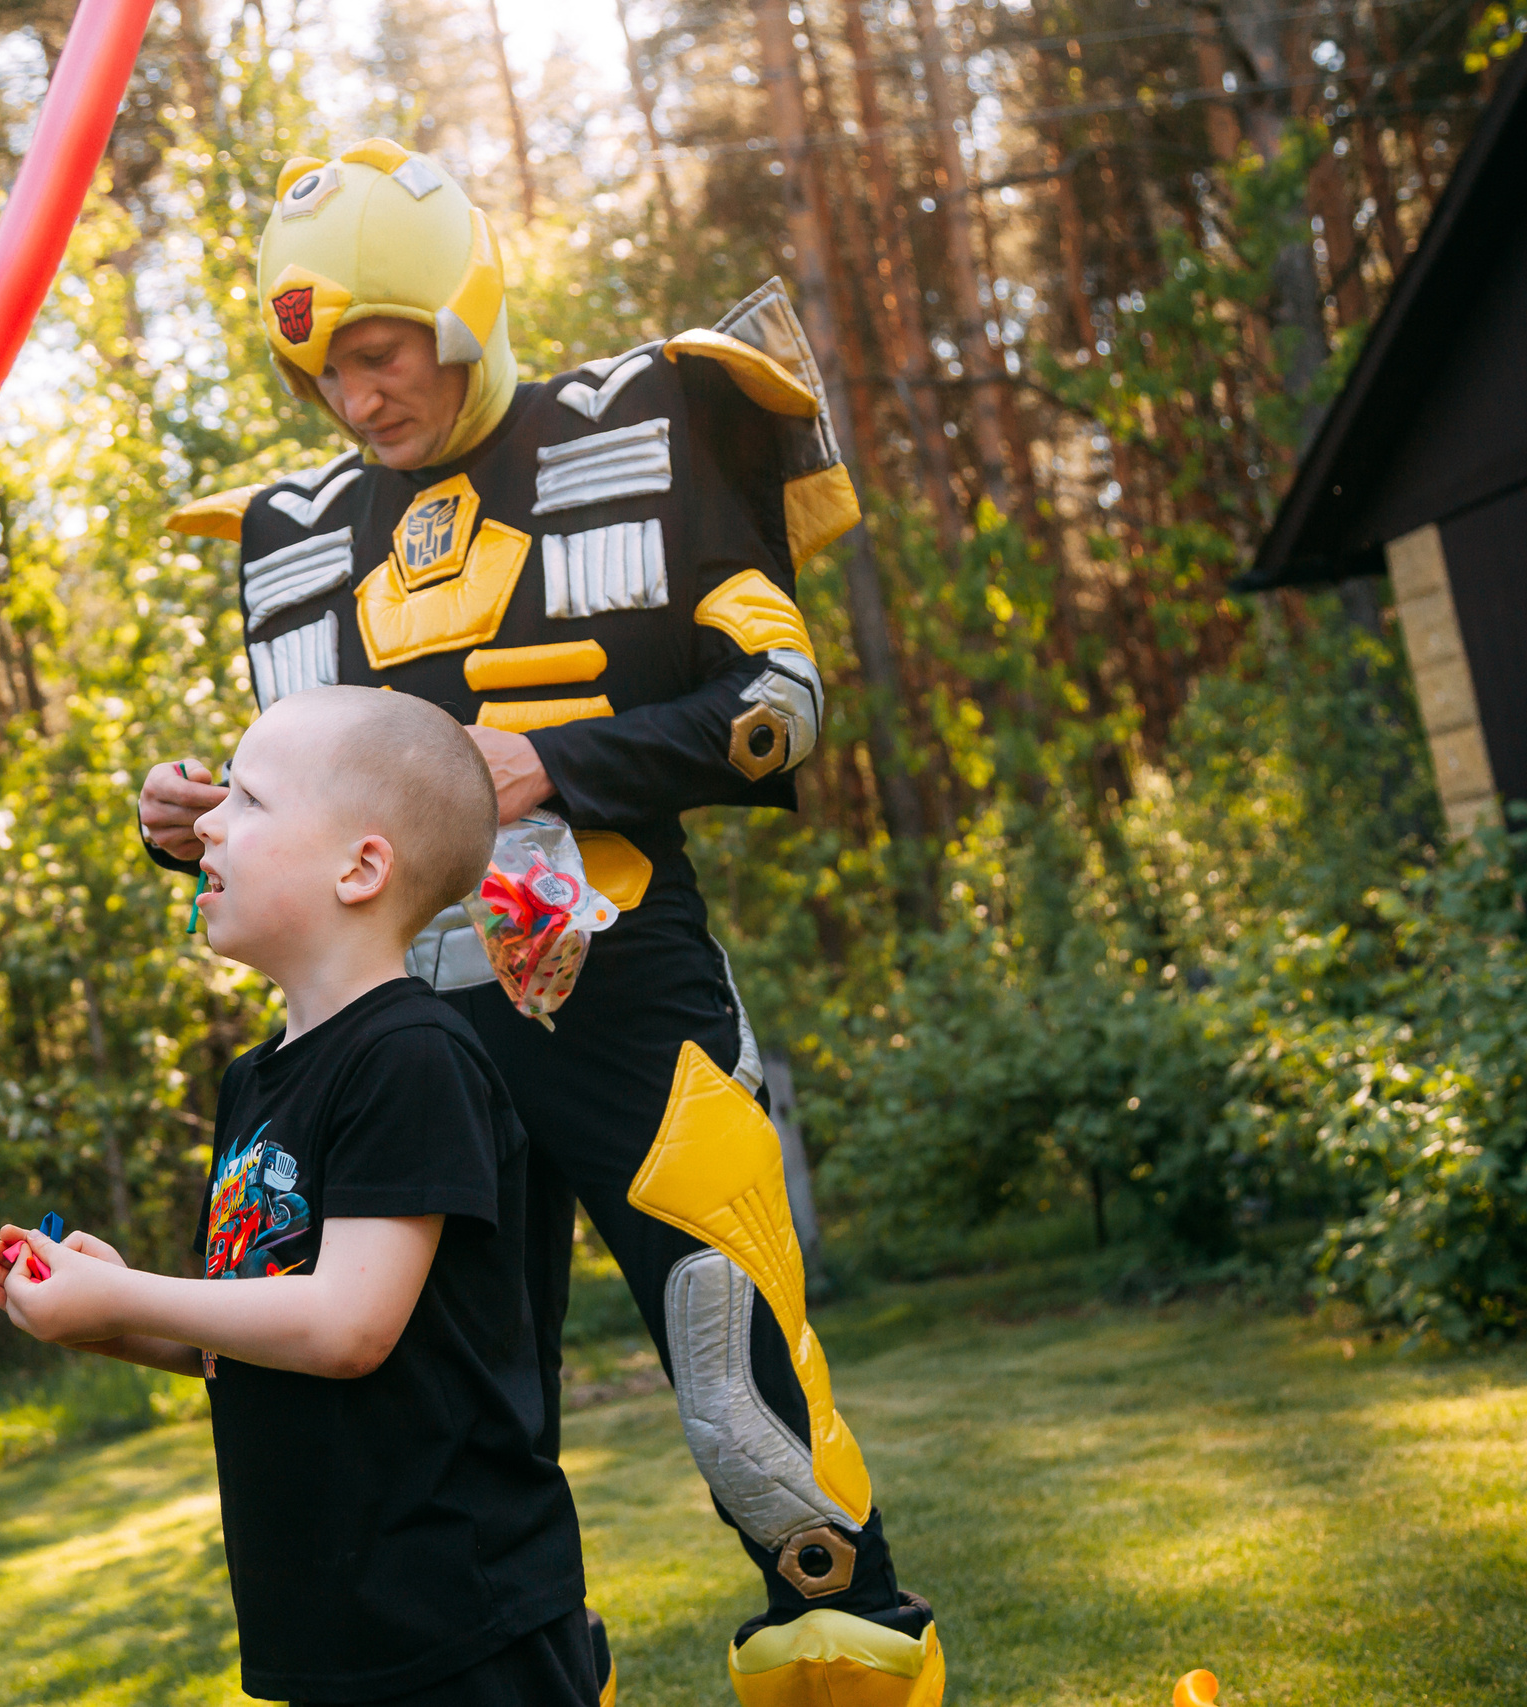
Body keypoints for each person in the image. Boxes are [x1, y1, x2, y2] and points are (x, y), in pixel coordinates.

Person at [140, 142, 945, 1706]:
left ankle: (851, 1661)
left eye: (378, 353)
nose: (357, 399)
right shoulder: (295, 535)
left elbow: (780, 700)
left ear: (463, 308)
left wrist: (558, 759)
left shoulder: (652, 430)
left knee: (739, 1391)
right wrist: (192, 816)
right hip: (405, 1040)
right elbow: (314, 824)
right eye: (323, 373)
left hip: (625, 994)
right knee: (443, 1433)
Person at [0, 685, 602, 1707]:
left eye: (252, 802)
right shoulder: (256, 1080)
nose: (208, 821)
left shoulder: (412, 1058)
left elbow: (347, 1326)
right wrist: (96, 1310)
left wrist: (129, 1297)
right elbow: (243, 1333)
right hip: (332, 1619)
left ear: (360, 868)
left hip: (458, 1609)